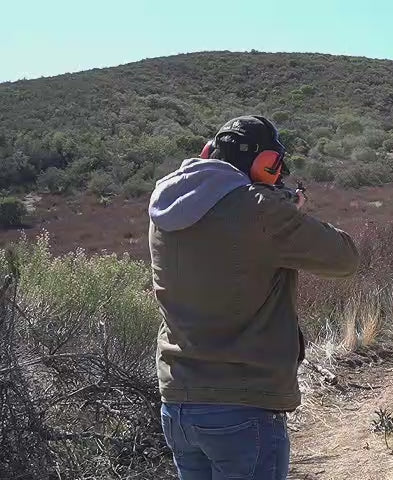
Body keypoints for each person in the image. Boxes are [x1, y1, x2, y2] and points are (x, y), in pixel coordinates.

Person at [148, 115, 359, 479]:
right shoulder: (262, 209)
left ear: (208, 153)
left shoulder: (165, 205)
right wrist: (285, 209)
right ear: (265, 164)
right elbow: (344, 258)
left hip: (178, 401)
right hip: (241, 404)